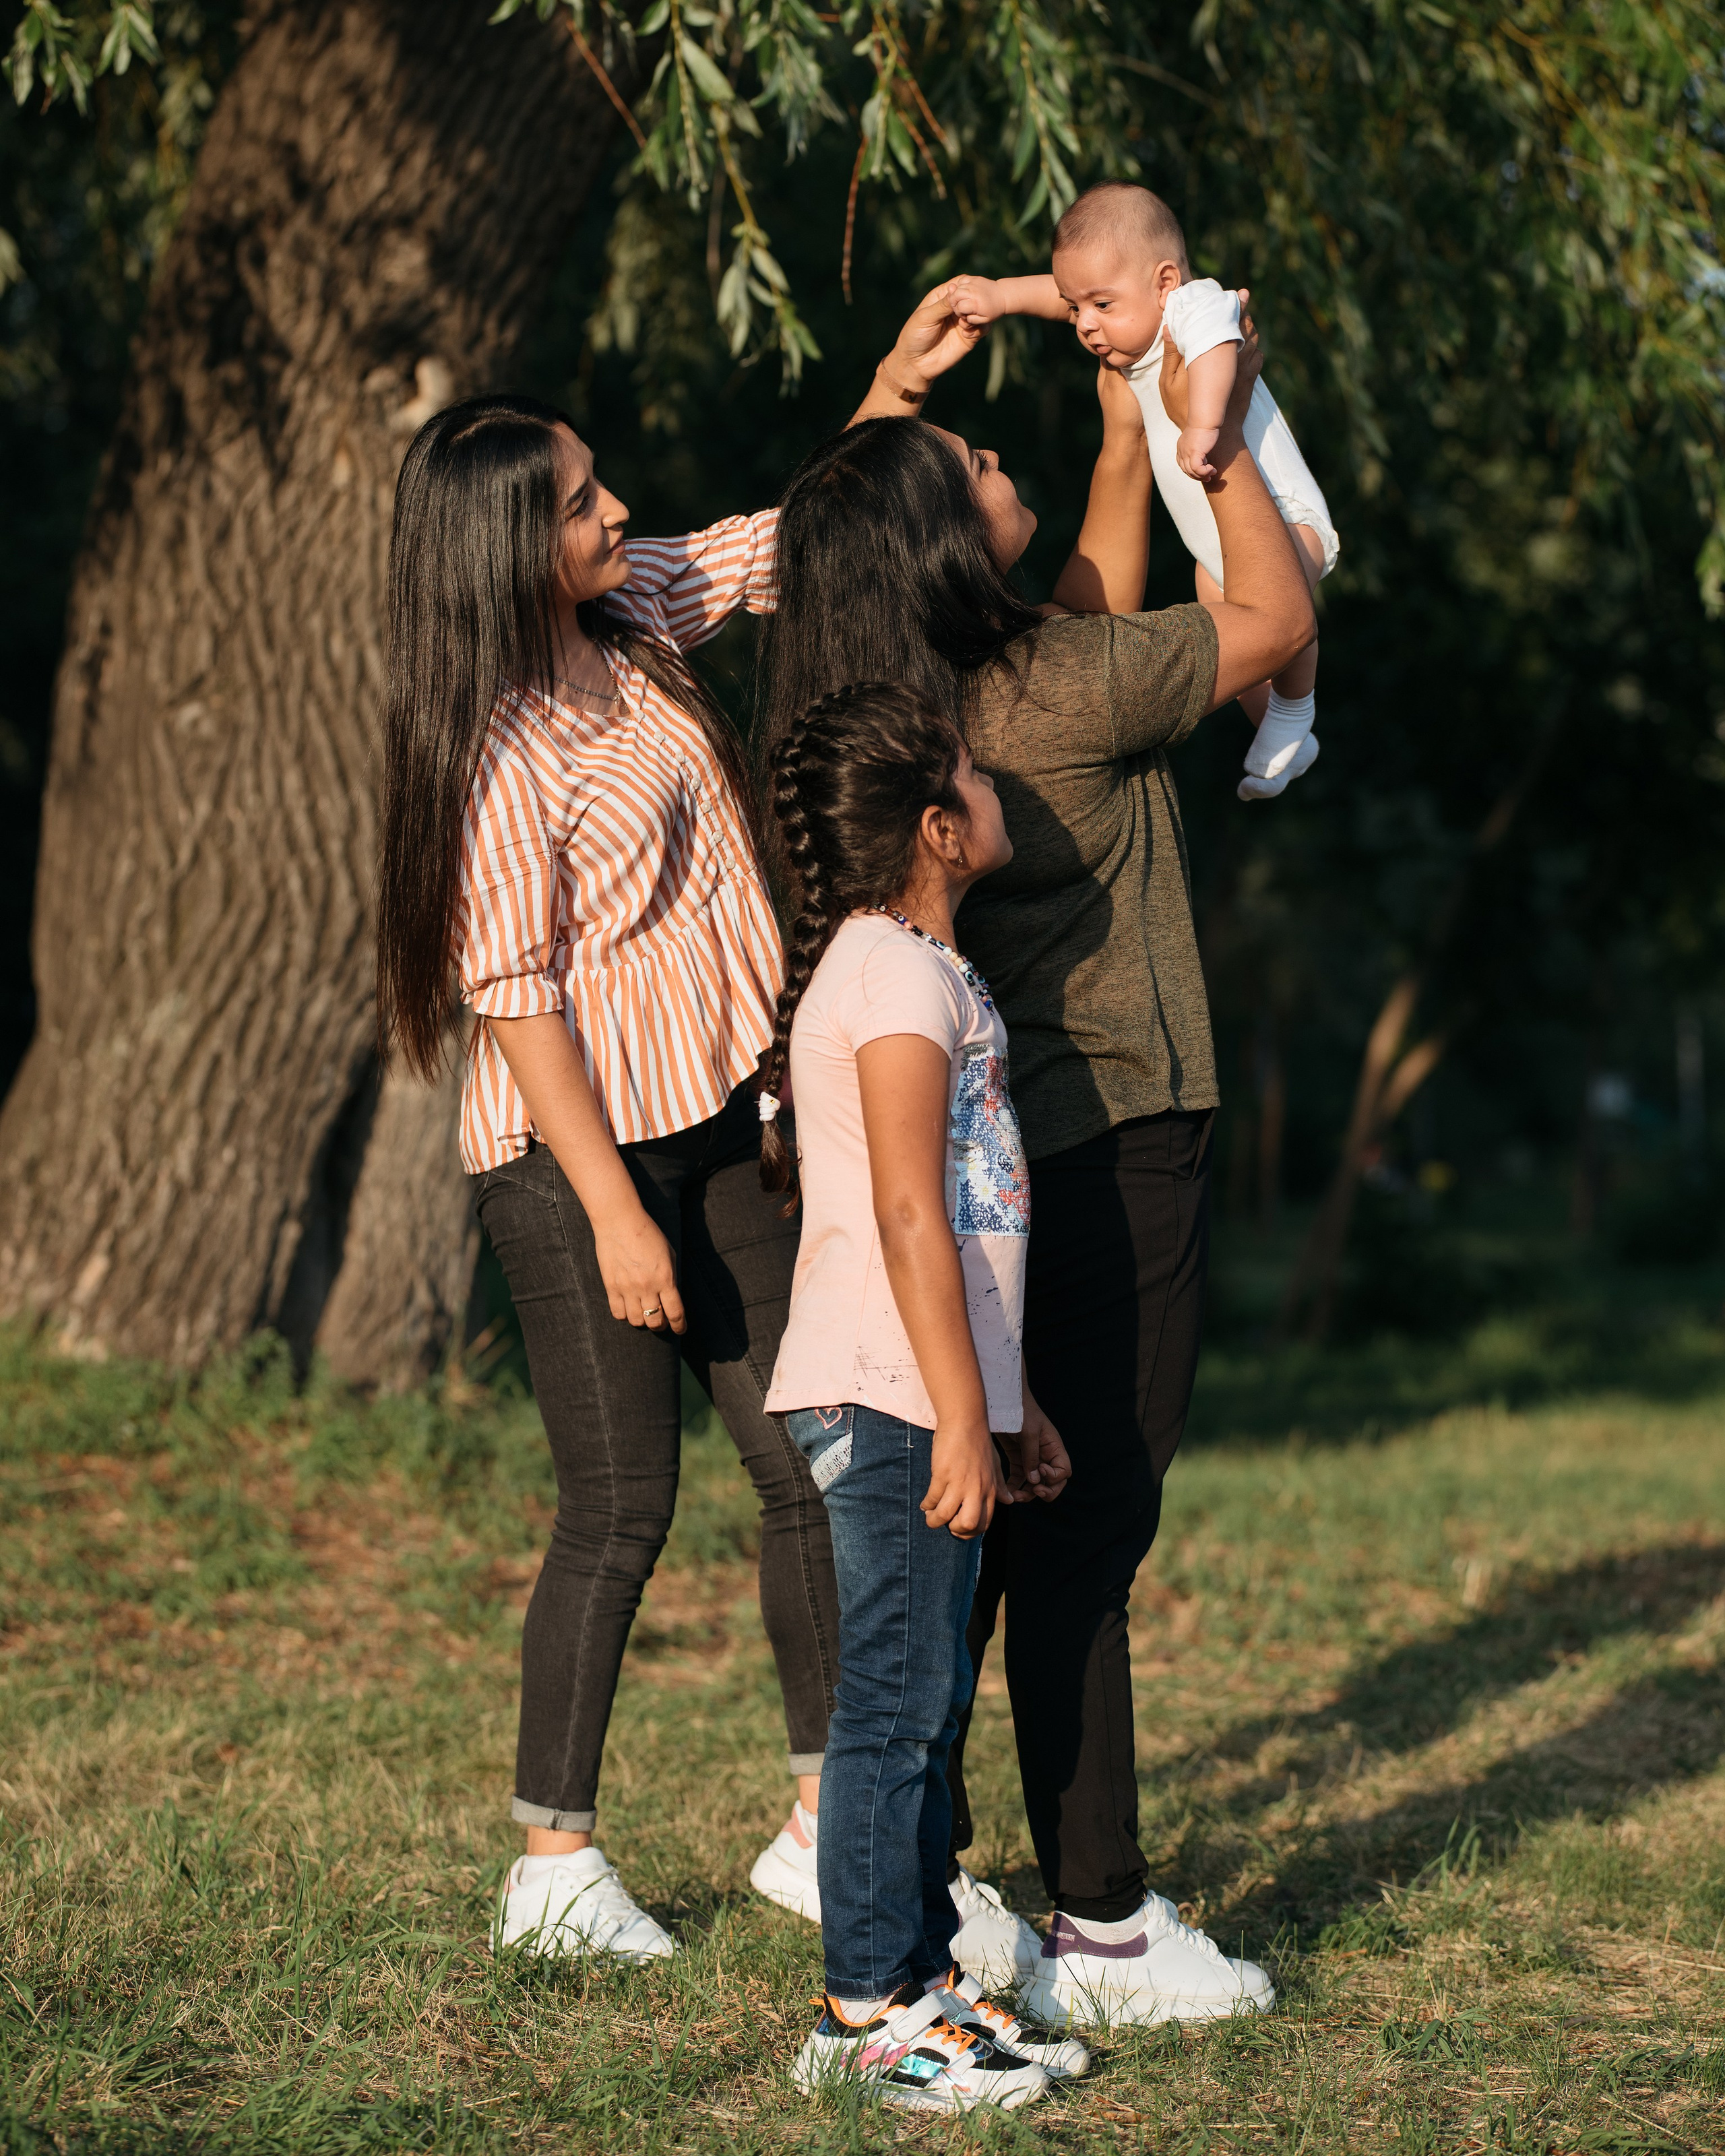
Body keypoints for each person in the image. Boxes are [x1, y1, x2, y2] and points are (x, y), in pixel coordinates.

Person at [371, 290, 1035, 1969]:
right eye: (585, 503)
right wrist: (611, 1213)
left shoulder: (626, 622)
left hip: (717, 1113)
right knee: (619, 1504)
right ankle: (552, 1859)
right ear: (509, 552)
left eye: (600, 492)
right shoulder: (497, 745)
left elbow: (767, 553)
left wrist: (883, 391)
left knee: (804, 1460)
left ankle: (826, 1824)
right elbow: (510, 995)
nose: (616, 515)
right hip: (574, 1152)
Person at [759, 292, 1315, 2027]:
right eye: (972, 463)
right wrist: (1203, 420)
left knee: (1001, 1533)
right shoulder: (1058, 689)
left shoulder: (900, 696)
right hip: (1116, 1128)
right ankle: (1101, 1924)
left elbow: (1080, 561)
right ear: (939, 542)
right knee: (1089, 1527)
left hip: (1016, 1155)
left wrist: (1104, 430)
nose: (996, 461)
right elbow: (1275, 613)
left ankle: (918, 1878)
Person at [759, 682, 1082, 2110]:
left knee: (927, 1695)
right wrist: (959, 1410)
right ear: (937, 831)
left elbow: (965, 1209)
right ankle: (859, 2011)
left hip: (930, 1389)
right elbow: (904, 1210)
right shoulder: (887, 975)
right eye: (969, 767)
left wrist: (1008, 1404)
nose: (991, 778)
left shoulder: (922, 966)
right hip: (885, 1389)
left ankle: (917, 1974)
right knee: (887, 1707)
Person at [949, 181, 1338, 803]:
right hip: (1219, 541)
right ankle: (1279, 723)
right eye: (1077, 308)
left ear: (1165, 282)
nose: (1083, 324)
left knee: (1280, 613)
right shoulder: (1132, 330)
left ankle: (1295, 713)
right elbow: (1059, 294)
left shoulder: (1192, 307)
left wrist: (1209, 424)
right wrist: (1000, 296)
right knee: (1235, 634)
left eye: (1101, 304)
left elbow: (1221, 349)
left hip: (1284, 516)